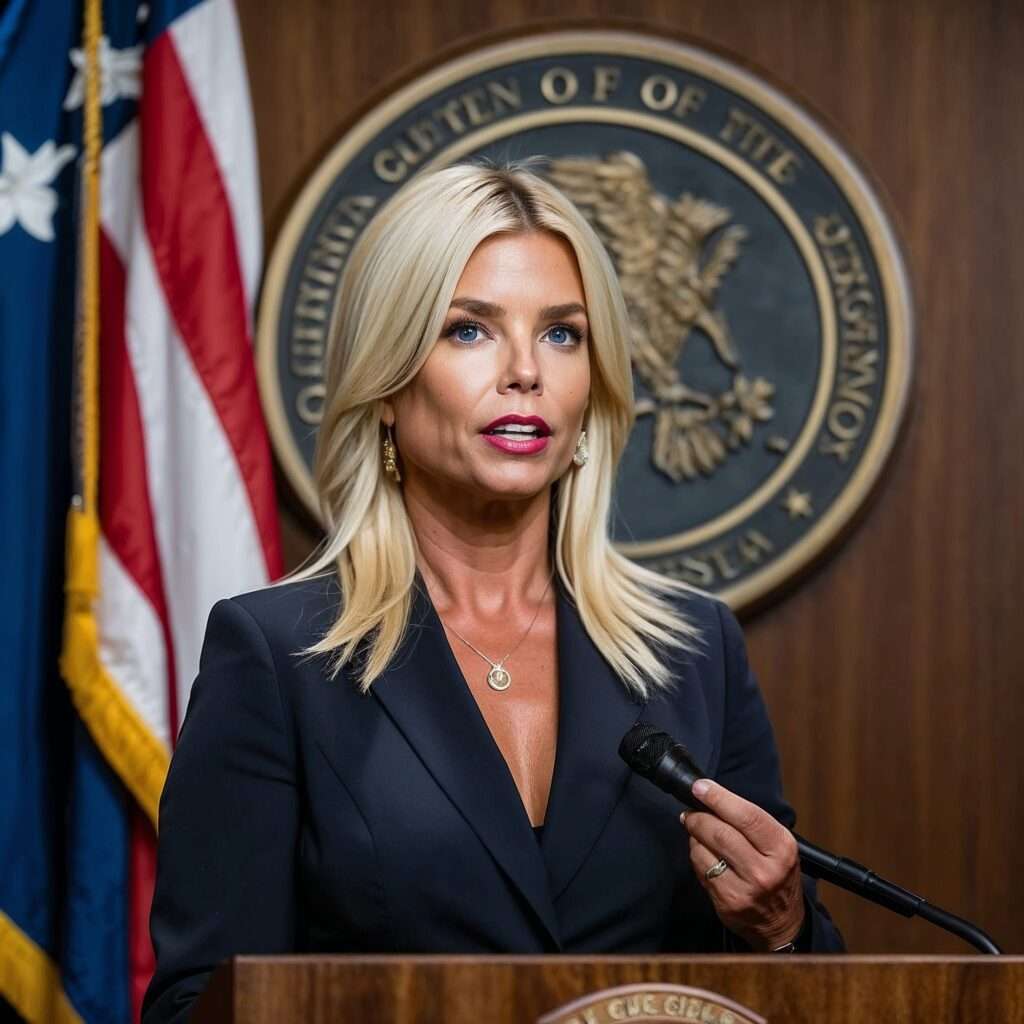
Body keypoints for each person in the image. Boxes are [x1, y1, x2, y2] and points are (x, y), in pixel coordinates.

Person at [141, 163, 843, 1023]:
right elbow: (194, 1004)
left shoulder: (695, 648)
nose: (525, 372)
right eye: (470, 331)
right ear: (390, 382)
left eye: (561, 334)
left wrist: (783, 929)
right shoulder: (277, 656)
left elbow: (794, 988)